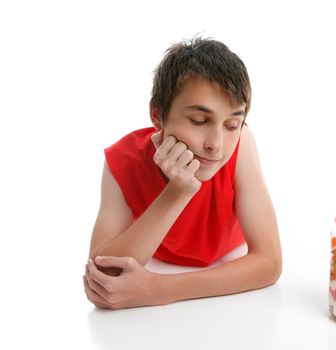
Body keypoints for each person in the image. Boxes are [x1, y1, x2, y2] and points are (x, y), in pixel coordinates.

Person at [83, 36, 282, 309]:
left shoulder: (242, 145)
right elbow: (103, 277)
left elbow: (269, 262)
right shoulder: (122, 161)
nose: (216, 145)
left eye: (232, 124)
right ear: (157, 114)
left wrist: (160, 288)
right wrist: (177, 191)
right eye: (199, 120)